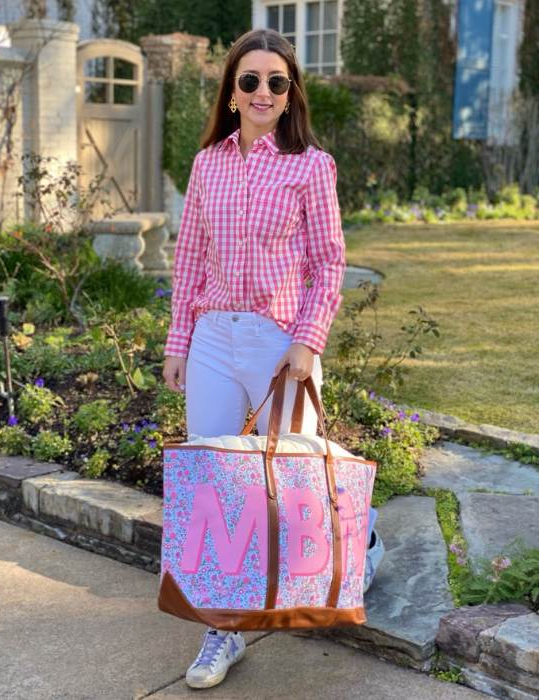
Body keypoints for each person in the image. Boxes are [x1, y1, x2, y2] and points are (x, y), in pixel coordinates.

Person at [162, 28, 371, 690]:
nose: (261, 91)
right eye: (248, 80)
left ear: (289, 95)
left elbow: (328, 264)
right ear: (229, 93)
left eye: (275, 82)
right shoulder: (206, 166)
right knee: (218, 487)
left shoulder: (312, 165)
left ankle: (358, 555)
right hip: (214, 343)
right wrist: (178, 344)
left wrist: (309, 341)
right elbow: (190, 258)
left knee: (298, 483)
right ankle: (222, 632)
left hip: (282, 344)